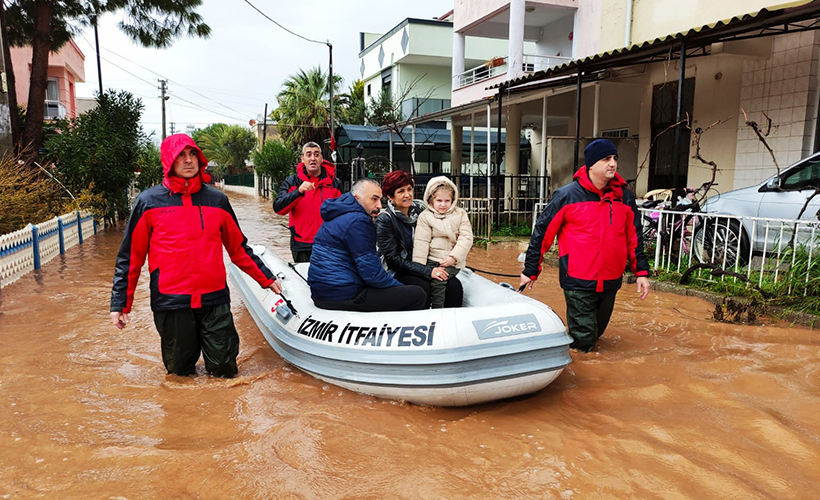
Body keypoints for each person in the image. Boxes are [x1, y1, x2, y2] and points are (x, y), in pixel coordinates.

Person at [110, 133, 283, 378]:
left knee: (225, 370)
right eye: (181, 155)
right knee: (180, 374)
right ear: (169, 160)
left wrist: (265, 278)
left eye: (192, 154)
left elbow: (238, 248)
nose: (188, 160)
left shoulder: (217, 200)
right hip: (171, 300)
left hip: (214, 299)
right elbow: (131, 257)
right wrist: (120, 303)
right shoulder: (148, 202)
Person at [519, 138, 651, 352]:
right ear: (591, 164)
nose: (613, 164)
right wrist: (531, 269)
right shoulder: (567, 196)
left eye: (615, 158)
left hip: (610, 280)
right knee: (585, 343)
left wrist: (642, 272)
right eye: (606, 159)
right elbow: (542, 233)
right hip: (578, 280)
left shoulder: (623, 197)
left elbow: (634, 237)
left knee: (596, 333)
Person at [308, 178, 427, 312]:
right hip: (342, 293)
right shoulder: (358, 221)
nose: (379, 206)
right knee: (417, 294)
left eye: (380, 200)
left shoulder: (340, 212)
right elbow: (371, 274)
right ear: (357, 198)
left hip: (323, 290)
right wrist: (399, 288)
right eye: (374, 199)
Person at [375, 171, 464, 308]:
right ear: (390, 196)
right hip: (402, 269)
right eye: (401, 191)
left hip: (429, 262)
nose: (407, 195)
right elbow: (393, 260)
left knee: (454, 286)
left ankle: (453, 325)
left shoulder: (422, 209)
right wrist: (428, 271)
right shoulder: (385, 219)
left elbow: (446, 225)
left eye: (409, 189)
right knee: (423, 288)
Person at [273, 141, 342, 262]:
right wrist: (298, 192)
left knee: (329, 280)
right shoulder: (292, 181)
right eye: (308, 154)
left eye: (316, 154)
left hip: (329, 244)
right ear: (302, 159)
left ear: (321, 158)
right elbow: (278, 208)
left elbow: (344, 213)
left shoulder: (335, 183)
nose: (312, 158)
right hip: (302, 245)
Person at [412, 176, 474, 308]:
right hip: (431, 259)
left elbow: (466, 238)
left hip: (451, 262)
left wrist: (453, 257)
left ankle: (437, 309)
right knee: (425, 282)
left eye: (447, 201)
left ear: (453, 200)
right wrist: (419, 268)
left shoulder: (460, 214)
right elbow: (421, 242)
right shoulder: (425, 216)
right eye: (439, 200)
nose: (443, 204)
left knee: (439, 280)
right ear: (431, 200)